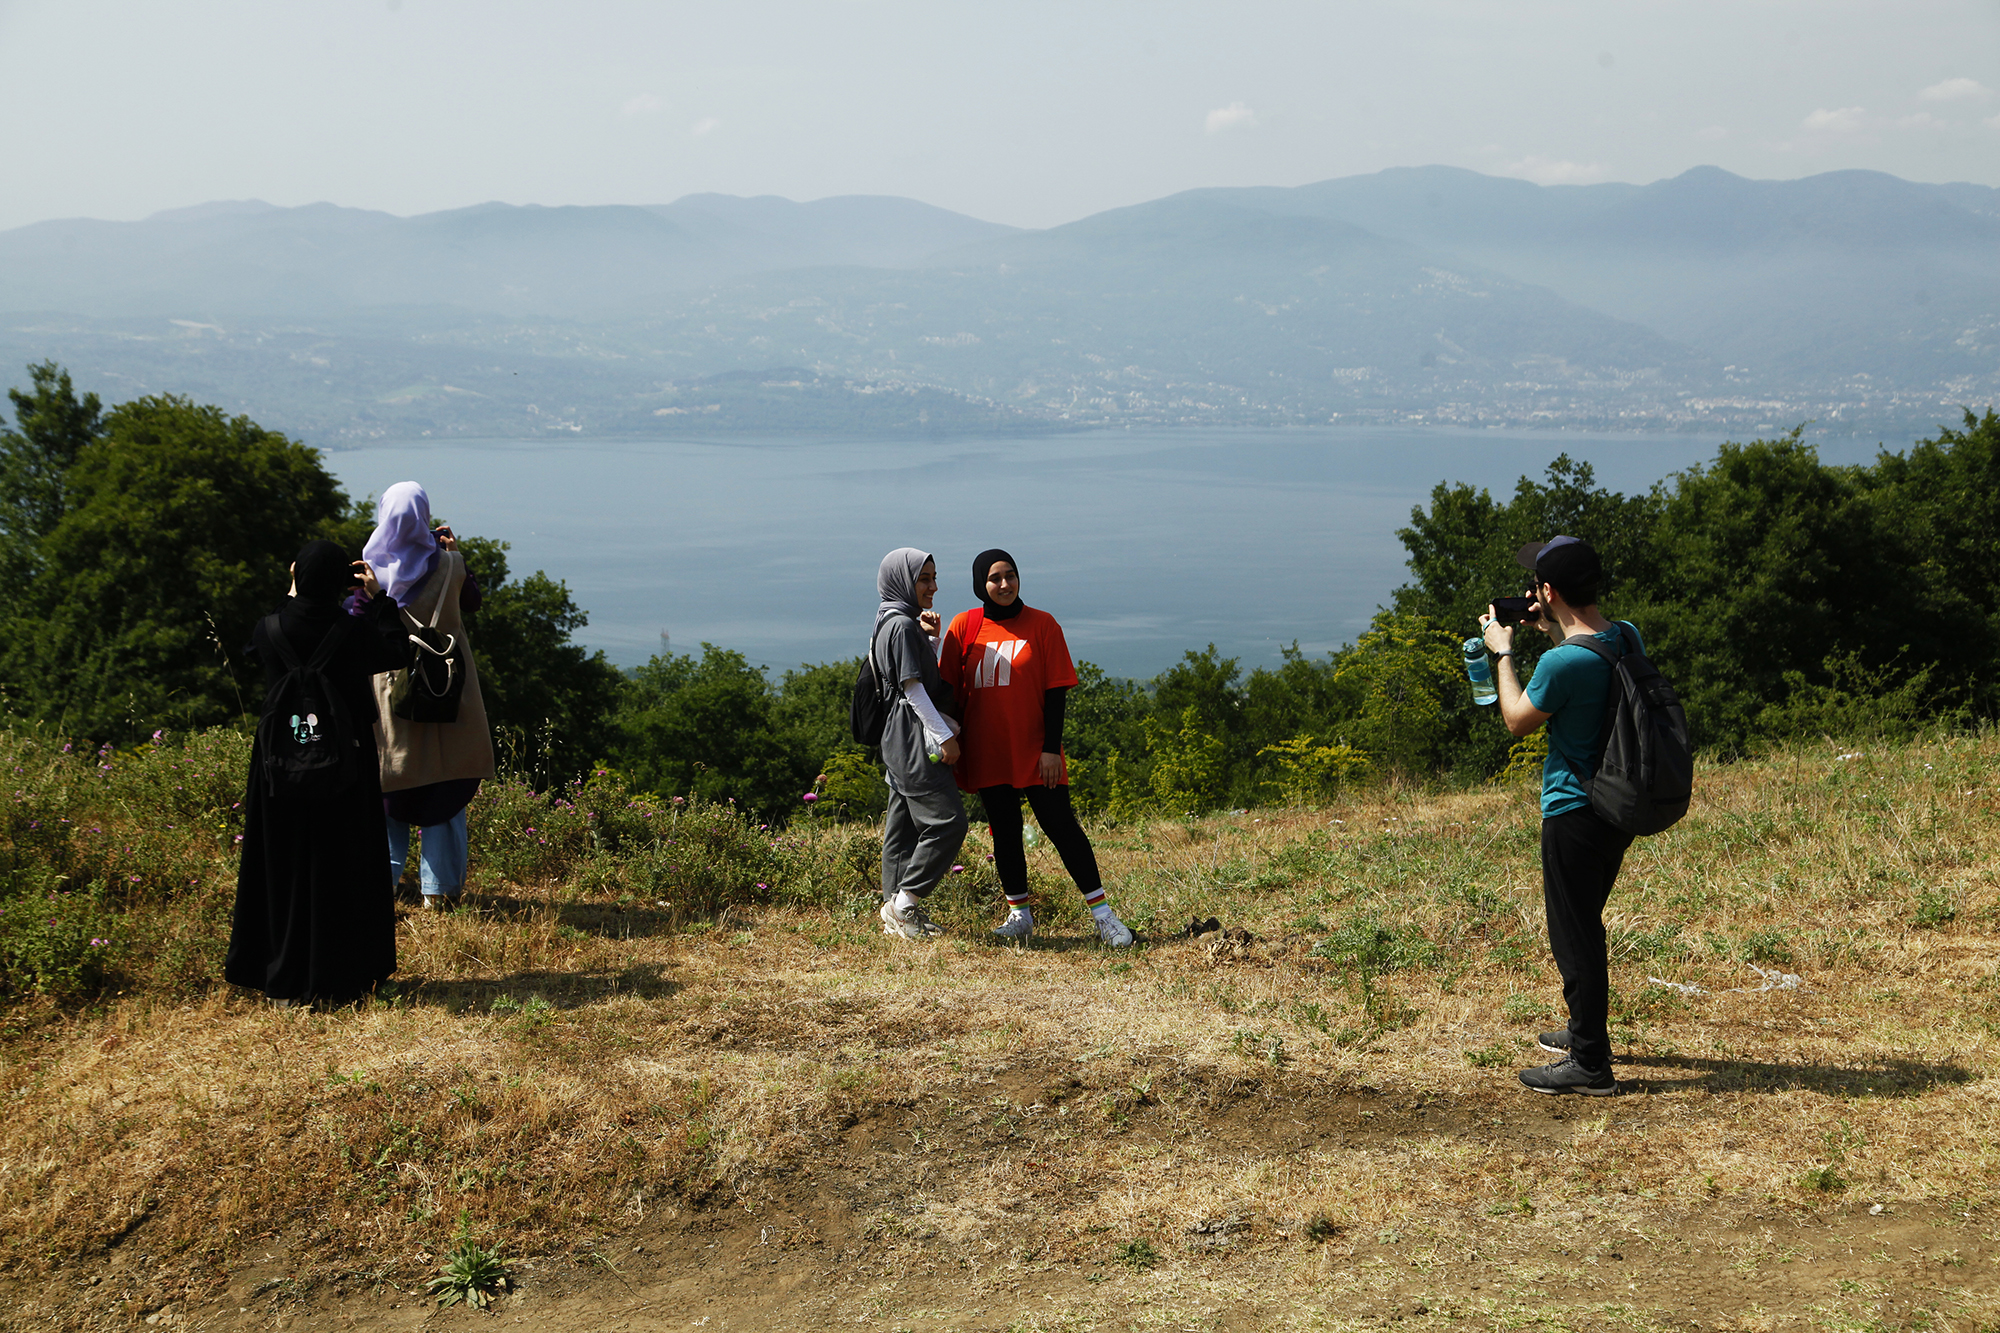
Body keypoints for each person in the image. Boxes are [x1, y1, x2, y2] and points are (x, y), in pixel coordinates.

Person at [1480, 535, 1643, 1096]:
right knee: (1585, 922)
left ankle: (1591, 1065)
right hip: (1617, 805)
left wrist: (1503, 652)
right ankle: (1582, 1032)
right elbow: (1586, 661)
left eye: (1537, 587)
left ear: (1549, 591)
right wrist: (1552, 626)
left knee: (1575, 936)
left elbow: (1518, 720)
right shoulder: (1625, 638)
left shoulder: (1558, 663)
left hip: (1573, 808)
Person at [224, 540, 412, 1006]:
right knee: (343, 864)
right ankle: (342, 976)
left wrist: (290, 592)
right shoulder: (352, 630)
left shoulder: (269, 629)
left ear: (297, 577)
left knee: (282, 866)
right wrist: (379, 599)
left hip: (278, 765)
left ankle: (281, 976)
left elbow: (255, 644)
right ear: (340, 582)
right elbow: (398, 651)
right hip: (344, 765)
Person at [940, 550, 1133, 947]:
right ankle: (1019, 915)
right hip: (988, 750)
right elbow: (947, 691)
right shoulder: (964, 626)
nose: (1006, 585)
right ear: (981, 583)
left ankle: (1104, 917)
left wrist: (1050, 749)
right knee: (1005, 833)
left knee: (1061, 827)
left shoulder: (1043, 625)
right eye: (995, 578)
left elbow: (1056, 691)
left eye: (1011, 575)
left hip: (1035, 751)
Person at [365, 482, 496, 911]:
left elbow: (353, 622)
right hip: (446, 685)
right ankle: (438, 889)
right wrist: (455, 554)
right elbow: (472, 602)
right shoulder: (449, 565)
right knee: (445, 777)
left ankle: (380, 878)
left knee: (391, 781)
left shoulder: (369, 572)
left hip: (390, 689)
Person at [872, 548, 969, 940]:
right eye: (923, 578)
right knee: (948, 822)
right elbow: (912, 688)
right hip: (914, 739)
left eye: (933, 577)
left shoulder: (891, 621)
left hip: (896, 738)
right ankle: (904, 905)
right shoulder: (901, 626)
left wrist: (931, 640)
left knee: (903, 828)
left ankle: (898, 914)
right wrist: (945, 738)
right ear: (902, 581)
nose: (933, 586)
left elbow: (911, 676)